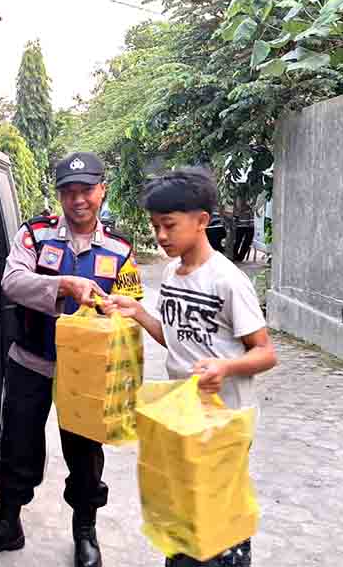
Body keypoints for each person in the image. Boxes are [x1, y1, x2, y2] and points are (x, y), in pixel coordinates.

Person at [0, 152, 143, 567]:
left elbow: (132, 306)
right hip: (31, 360)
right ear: (59, 195)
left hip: (88, 372)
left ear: (103, 190)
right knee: (16, 447)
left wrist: (115, 309)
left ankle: (85, 532)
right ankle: (7, 524)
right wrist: (63, 284)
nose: (78, 200)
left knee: (84, 453)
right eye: (68, 192)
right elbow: (12, 282)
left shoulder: (120, 248)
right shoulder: (35, 235)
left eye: (86, 190)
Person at [103, 168, 277, 567]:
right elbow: (174, 338)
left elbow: (265, 352)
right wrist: (137, 313)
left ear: (201, 221)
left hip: (222, 422)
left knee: (220, 529)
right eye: (155, 226)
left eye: (169, 225)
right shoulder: (170, 273)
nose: (161, 236)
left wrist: (226, 367)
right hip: (182, 417)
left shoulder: (227, 281)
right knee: (181, 517)